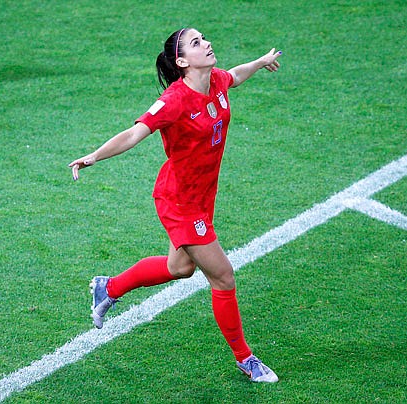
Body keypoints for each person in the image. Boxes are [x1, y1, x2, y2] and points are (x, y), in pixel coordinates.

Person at [69, 28, 282, 383]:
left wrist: (259, 63)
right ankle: (245, 359)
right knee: (223, 277)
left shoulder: (214, 80)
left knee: (180, 268)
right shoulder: (174, 100)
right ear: (182, 62)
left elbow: (235, 76)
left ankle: (110, 287)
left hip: (201, 195)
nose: (207, 44)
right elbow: (134, 133)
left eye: (204, 38)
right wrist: (92, 157)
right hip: (180, 201)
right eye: (196, 43)